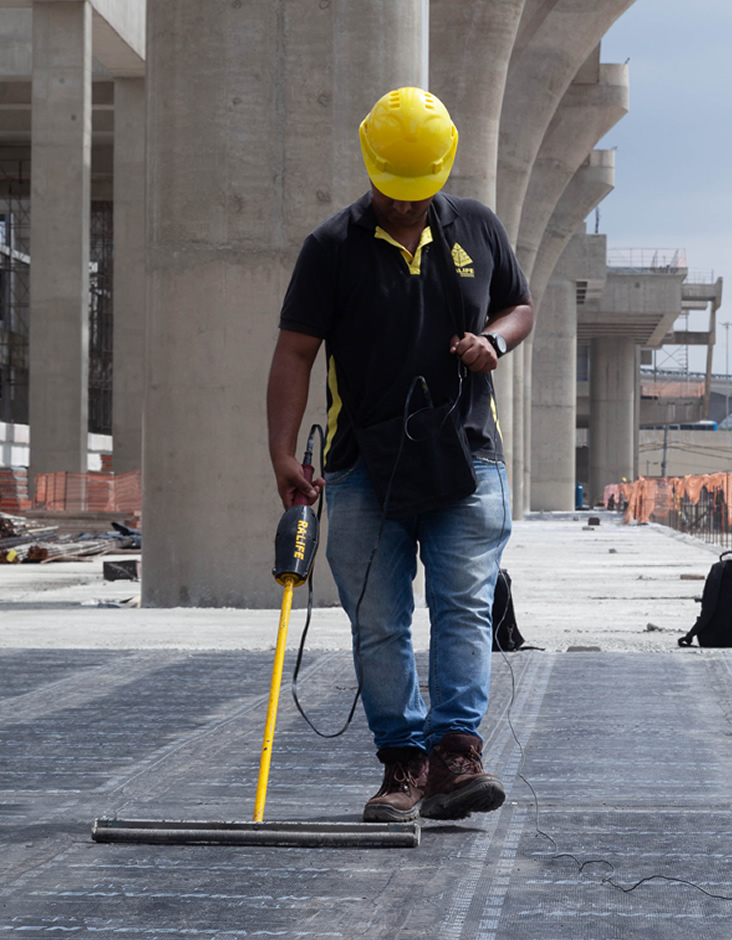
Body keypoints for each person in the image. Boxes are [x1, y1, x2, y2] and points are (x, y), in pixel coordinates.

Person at [267, 87, 533, 823]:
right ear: (371, 168)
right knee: (378, 621)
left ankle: (456, 754)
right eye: (395, 192)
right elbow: (294, 353)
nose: (407, 206)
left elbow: (520, 305)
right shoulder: (331, 248)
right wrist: (282, 454)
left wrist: (495, 342)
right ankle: (404, 763)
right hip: (361, 467)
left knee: (462, 609)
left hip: (466, 457)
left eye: (421, 194)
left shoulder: (476, 227)